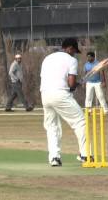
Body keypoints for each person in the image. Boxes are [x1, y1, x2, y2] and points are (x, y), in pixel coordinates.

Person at [40, 38, 92, 166]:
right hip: (60, 94)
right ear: (70, 48)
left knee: (52, 126)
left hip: (45, 94)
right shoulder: (71, 60)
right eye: (74, 51)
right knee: (80, 121)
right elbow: (71, 85)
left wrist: (73, 85)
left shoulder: (48, 58)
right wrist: (77, 84)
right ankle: (85, 155)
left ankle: (54, 158)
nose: (74, 54)